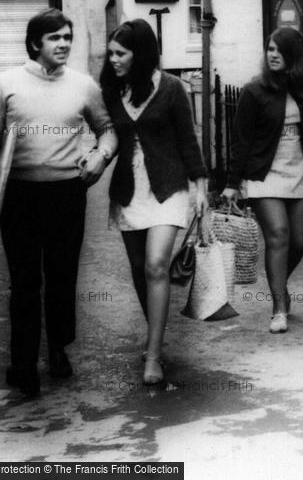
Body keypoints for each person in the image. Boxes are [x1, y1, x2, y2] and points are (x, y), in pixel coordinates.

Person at [0, 8, 117, 397]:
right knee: (23, 282)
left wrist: (100, 158)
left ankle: (57, 348)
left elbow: (107, 130)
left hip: (66, 194)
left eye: (68, 37)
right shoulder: (5, 85)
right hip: (19, 196)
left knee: (61, 275)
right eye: (56, 38)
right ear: (36, 42)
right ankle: (23, 364)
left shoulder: (84, 85)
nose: (64, 44)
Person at [100, 19, 208, 386]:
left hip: (169, 189)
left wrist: (201, 189)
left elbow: (188, 142)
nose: (113, 60)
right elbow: (108, 135)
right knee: (138, 270)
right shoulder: (112, 91)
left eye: (121, 54)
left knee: (156, 265)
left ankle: (154, 355)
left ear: (140, 54)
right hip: (129, 191)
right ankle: (156, 336)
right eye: (111, 53)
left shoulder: (173, 89)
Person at [222, 27, 303, 334]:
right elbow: (241, 140)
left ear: (293, 57)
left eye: (279, 50)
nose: (273, 55)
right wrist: (232, 182)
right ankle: (278, 307)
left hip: (299, 171)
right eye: (270, 49)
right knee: (278, 235)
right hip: (264, 174)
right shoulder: (254, 91)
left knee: (299, 242)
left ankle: (280, 284)